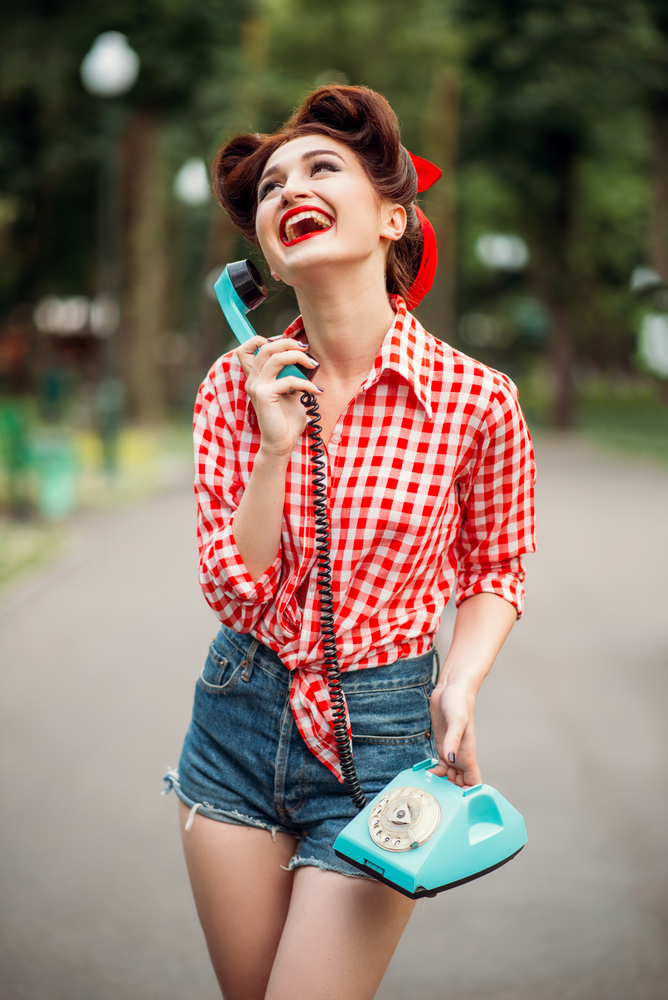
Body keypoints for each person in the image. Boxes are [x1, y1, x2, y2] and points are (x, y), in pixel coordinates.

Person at [163, 84, 536, 1000]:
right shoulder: (234, 389)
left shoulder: (476, 399)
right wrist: (277, 447)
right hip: (236, 724)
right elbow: (233, 584)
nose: (289, 188)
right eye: (270, 187)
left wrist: (460, 680)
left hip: (381, 743)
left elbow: (497, 564)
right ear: (267, 266)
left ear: (394, 218)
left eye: (322, 167)